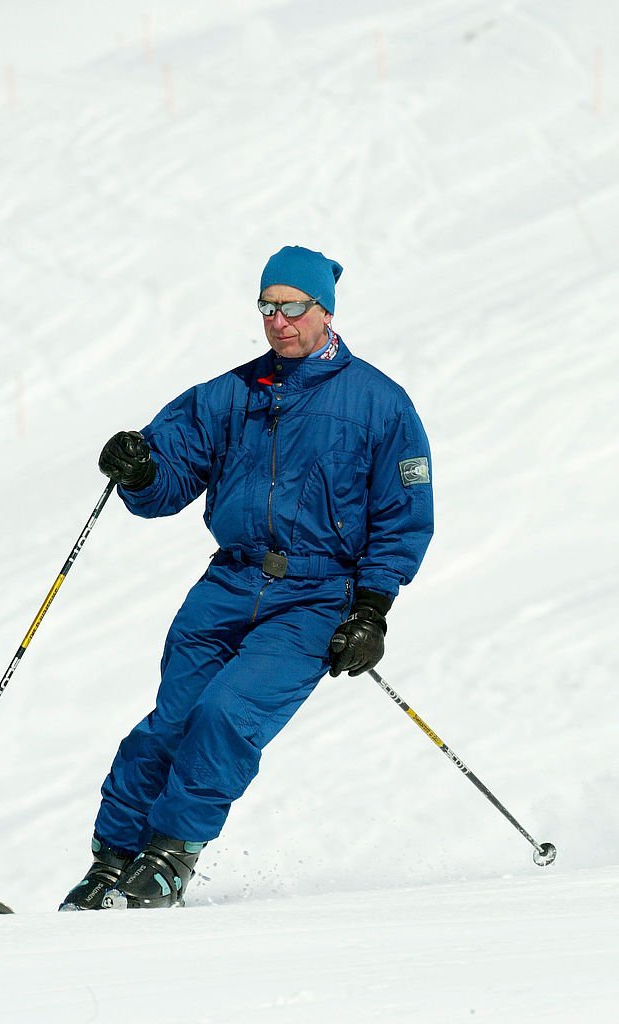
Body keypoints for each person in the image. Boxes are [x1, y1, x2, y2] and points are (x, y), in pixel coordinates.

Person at [59, 245, 434, 911]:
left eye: (293, 306)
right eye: (267, 306)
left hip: (317, 597)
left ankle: (172, 854)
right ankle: (113, 862)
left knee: (226, 715)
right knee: (169, 724)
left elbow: (402, 517)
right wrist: (139, 468)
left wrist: (372, 610)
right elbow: (166, 479)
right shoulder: (228, 395)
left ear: (325, 311)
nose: (278, 320)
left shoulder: (379, 404)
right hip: (228, 586)